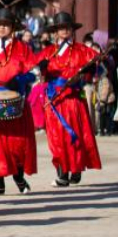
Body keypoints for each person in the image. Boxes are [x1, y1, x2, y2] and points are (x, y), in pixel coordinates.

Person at [36, 12, 102, 187]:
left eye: (67, 27)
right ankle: (62, 172)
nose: (64, 30)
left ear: (72, 30)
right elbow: (38, 75)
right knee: (57, 138)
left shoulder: (83, 50)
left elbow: (96, 71)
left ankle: (77, 168)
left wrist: (88, 73)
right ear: (55, 31)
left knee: (76, 135)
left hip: (73, 100)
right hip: (55, 101)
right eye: (60, 28)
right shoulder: (48, 52)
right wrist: (41, 70)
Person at [0, 7, 36, 195]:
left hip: (15, 101)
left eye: (6, 24)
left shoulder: (23, 48)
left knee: (16, 143)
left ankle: (19, 178)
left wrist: (20, 80)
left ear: (13, 27)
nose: (2, 28)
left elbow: (33, 73)